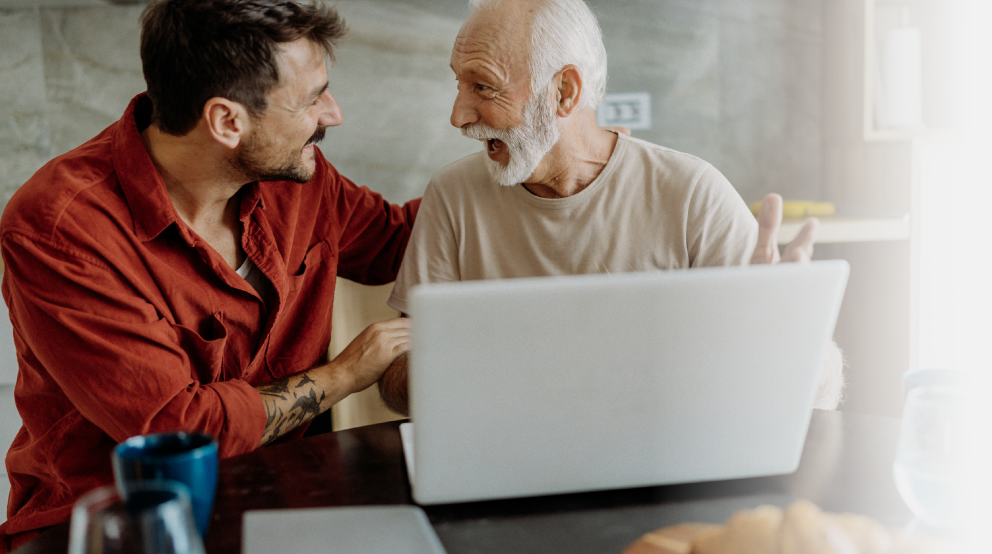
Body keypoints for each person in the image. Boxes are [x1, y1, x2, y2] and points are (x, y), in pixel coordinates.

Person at [0, 1, 416, 549]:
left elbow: (402, 242)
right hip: (118, 525)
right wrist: (347, 373)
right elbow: (179, 430)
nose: (332, 114)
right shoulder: (58, 228)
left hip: (285, 498)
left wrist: (540, 165)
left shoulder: (297, 176)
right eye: (313, 98)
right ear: (226, 121)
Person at [377, 0, 843, 415]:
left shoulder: (691, 193)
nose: (458, 115)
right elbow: (398, 375)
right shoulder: (452, 194)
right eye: (459, 84)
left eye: (483, 88)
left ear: (564, 92)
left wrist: (789, 339)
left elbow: (817, 390)